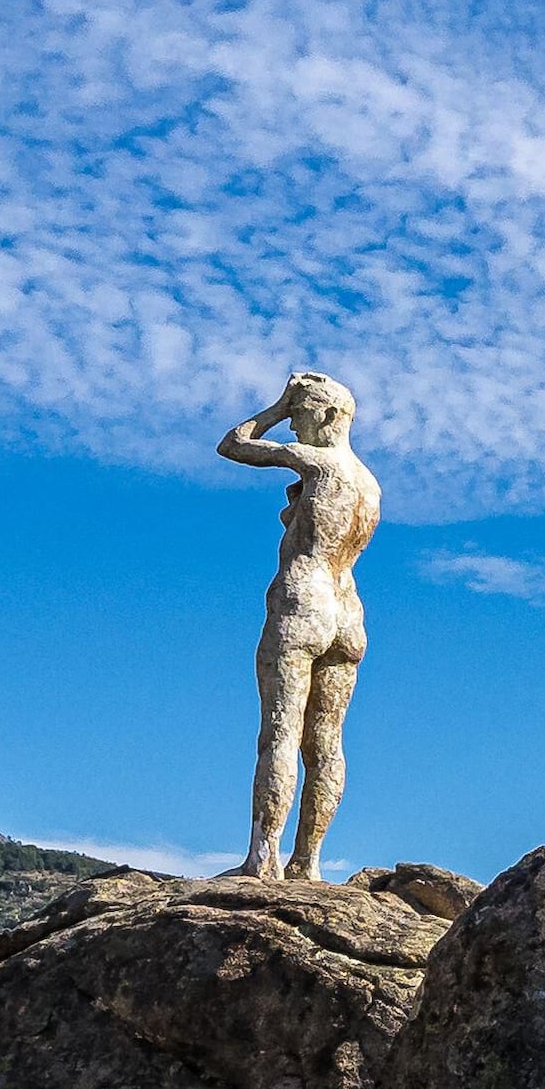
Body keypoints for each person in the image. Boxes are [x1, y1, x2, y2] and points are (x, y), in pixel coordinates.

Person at [219, 370, 378, 880]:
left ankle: (262, 857)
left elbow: (234, 445)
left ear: (329, 415)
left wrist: (273, 408)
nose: (293, 423)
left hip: (303, 601)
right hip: (348, 611)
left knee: (280, 734)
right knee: (327, 742)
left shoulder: (319, 460)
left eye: (300, 411)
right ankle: (307, 863)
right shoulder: (368, 483)